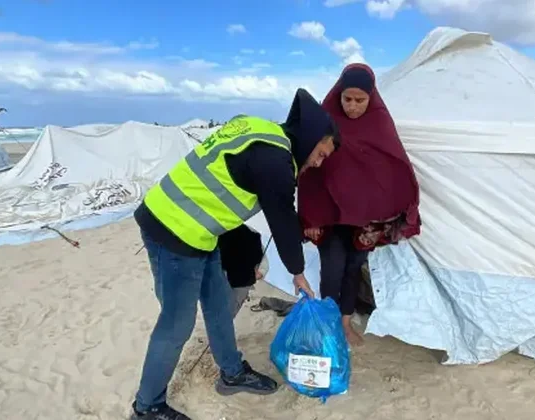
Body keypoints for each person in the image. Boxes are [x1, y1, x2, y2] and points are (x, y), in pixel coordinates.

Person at [130, 88, 340, 420]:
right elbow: (283, 221)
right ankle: (147, 406)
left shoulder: (263, 130)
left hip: (202, 233)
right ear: (310, 138)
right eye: (321, 154)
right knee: (176, 324)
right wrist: (298, 274)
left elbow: (225, 182)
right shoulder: (275, 161)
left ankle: (231, 373)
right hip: (171, 229)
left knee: (218, 306)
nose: (318, 162)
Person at [297, 64, 421, 346]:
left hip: (365, 218)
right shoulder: (324, 120)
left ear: (371, 97)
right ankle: (330, 325)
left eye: (360, 100)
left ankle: (345, 323)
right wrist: (310, 217)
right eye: (347, 99)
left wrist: (394, 208)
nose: (352, 106)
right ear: (339, 94)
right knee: (332, 269)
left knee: (353, 268)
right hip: (329, 214)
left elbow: (395, 166)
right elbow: (309, 171)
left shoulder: (380, 122)